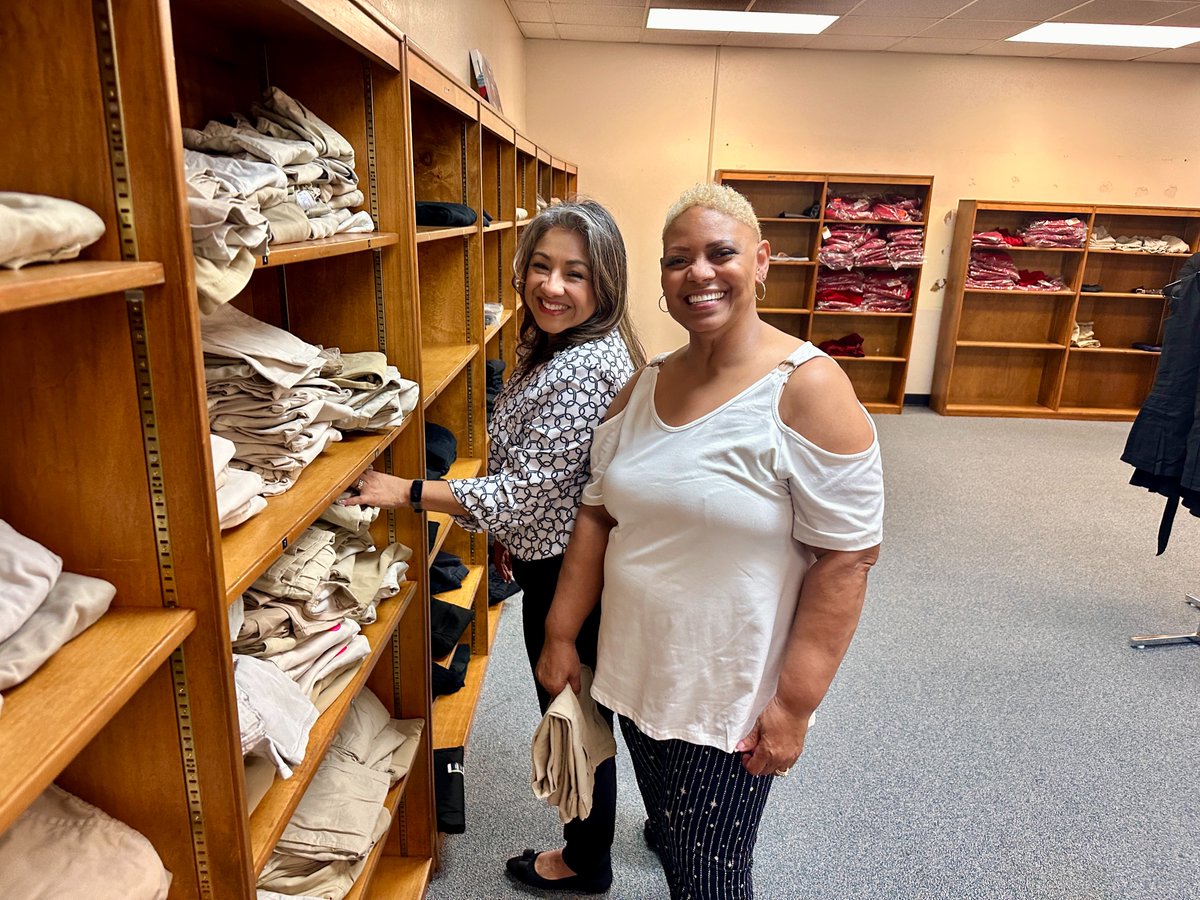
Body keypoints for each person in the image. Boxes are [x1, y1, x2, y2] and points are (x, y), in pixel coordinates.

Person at [536, 182, 884, 898]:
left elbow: (847, 559)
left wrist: (793, 708)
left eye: (720, 253)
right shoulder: (645, 384)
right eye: (677, 260)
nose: (698, 273)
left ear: (761, 261)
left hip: (727, 696)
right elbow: (598, 516)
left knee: (709, 879)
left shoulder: (807, 389)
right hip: (636, 670)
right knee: (671, 826)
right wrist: (562, 634)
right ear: (660, 280)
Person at [342, 198, 644, 893]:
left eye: (575, 272)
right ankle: (611, 835)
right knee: (588, 707)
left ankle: (584, 860)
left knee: (575, 716)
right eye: (541, 267)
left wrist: (407, 492)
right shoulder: (561, 346)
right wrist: (510, 535)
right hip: (558, 554)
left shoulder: (578, 369)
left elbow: (527, 492)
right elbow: (544, 481)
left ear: (605, 282)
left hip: (573, 572)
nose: (552, 286)